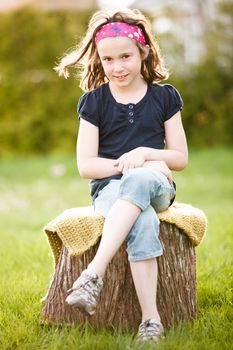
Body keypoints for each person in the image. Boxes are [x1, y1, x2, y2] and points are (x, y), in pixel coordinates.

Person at [54, 8, 188, 344]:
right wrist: (130, 164)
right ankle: (151, 322)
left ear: (144, 51)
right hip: (109, 190)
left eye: (126, 56)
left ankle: (93, 273)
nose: (117, 67)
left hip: (158, 185)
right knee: (141, 218)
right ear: (99, 59)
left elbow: (180, 158)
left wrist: (146, 155)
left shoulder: (165, 97)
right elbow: (86, 166)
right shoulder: (94, 103)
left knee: (142, 182)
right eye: (108, 59)